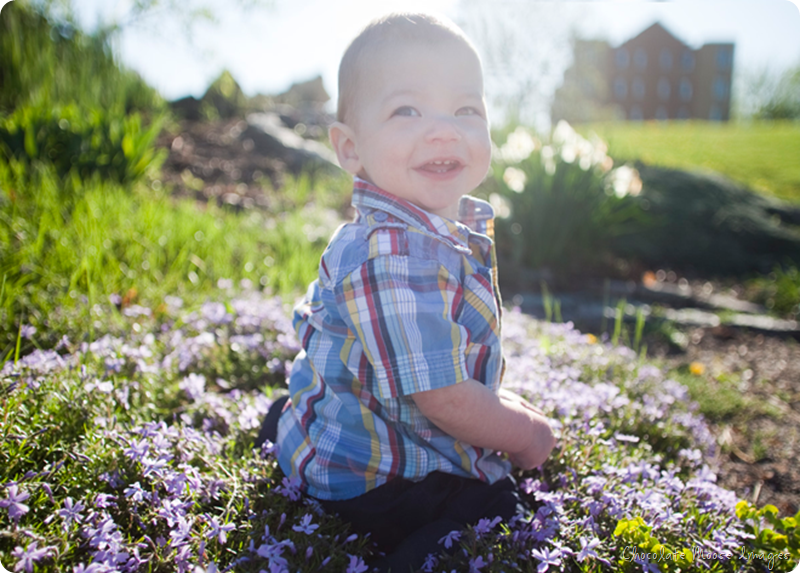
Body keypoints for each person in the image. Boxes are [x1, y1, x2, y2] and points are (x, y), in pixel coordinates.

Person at [256, 12, 556, 572]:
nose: (444, 129)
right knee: (494, 508)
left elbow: (449, 372)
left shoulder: (424, 231)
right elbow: (443, 397)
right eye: (406, 110)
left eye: (466, 109)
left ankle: (292, 430)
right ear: (350, 149)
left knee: (313, 400)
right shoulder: (398, 255)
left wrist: (501, 406)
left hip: (347, 434)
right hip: (374, 482)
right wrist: (527, 434)